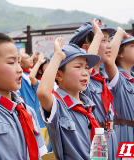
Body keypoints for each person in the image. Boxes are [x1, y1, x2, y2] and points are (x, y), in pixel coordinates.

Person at [0, 31, 47, 159]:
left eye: (18, 62)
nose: (19, 69)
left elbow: (42, 155)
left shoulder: (27, 112)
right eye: (11, 63)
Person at [37, 35, 101, 159]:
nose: (85, 72)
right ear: (58, 75)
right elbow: (43, 92)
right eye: (78, 67)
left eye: (86, 67)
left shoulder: (87, 104)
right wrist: (58, 56)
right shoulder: (58, 105)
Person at [69, 19, 120, 160]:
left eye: (109, 40)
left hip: (111, 137)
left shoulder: (103, 78)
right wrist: (97, 36)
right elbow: (88, 69)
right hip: (95, 143)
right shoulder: (85, 78)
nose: (109, 45)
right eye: (103, 41)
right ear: (87, 48)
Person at [108, 29, 133, 145]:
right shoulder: (118, 77)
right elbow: (109, 61)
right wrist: (119, 34)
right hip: (125, 134)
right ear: (119, 53)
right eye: (132, 46)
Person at [19, 49, 46, 128]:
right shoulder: (23, 75)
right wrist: (39, 62)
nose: (30, 59)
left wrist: (33, 57)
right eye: (27, 58)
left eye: (30, 58)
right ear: (21, 63)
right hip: (29, 110)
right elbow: (31, 76)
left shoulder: (29, 72)